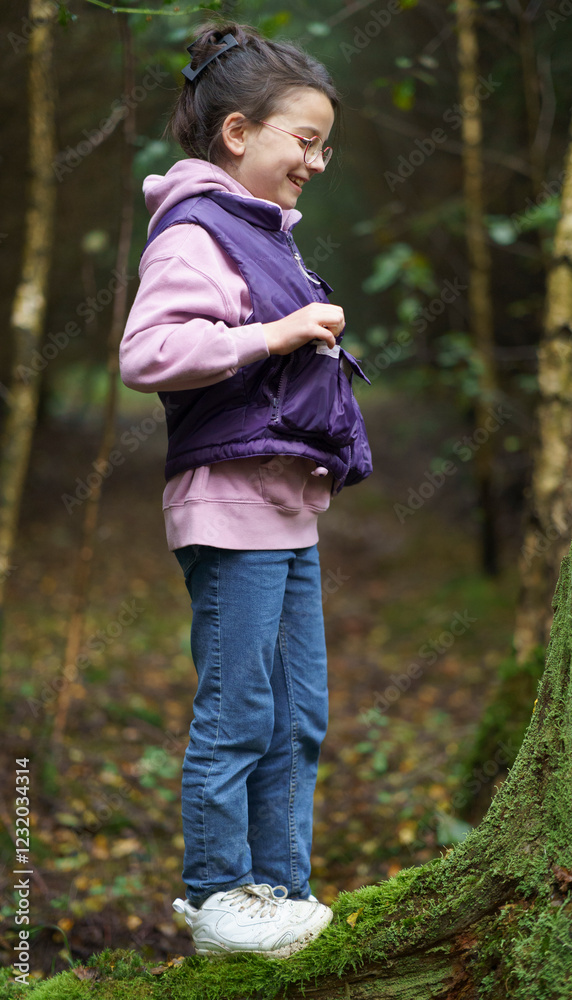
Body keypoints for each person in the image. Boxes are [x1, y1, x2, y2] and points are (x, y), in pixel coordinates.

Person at [119, 21, 372, 960]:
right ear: (237, 132)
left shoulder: (268, 236)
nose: (315, 161)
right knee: (239, 709)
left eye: (323, 146)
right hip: (228, 505)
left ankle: (278, 889)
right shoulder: (195, 229)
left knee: (299, 711)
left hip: (284, 507)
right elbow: (149, 353)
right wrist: (277, 334)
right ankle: (217, 893)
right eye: (302, 140)